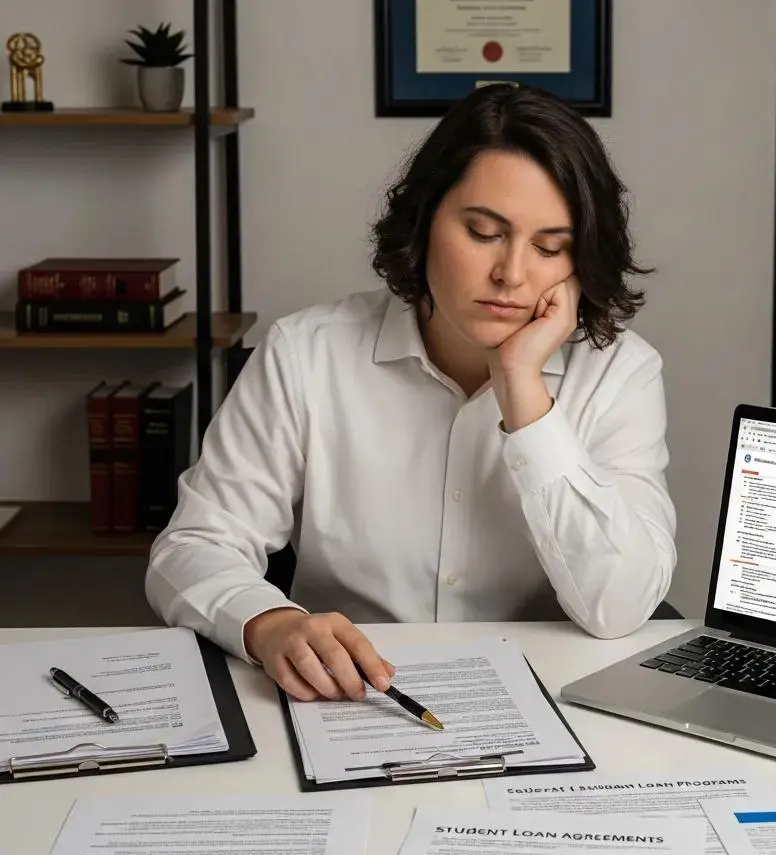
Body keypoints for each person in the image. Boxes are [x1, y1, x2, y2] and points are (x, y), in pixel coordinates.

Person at [145, 83, 677, 705]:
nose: (511, 273)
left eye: (549, 247)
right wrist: (269, 623)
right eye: (483, 232)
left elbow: (621, 607)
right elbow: (193, 546)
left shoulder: (620, 374)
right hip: (351, 701)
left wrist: (523, 393)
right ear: (425, 222)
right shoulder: (307, 352)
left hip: (552, 701)